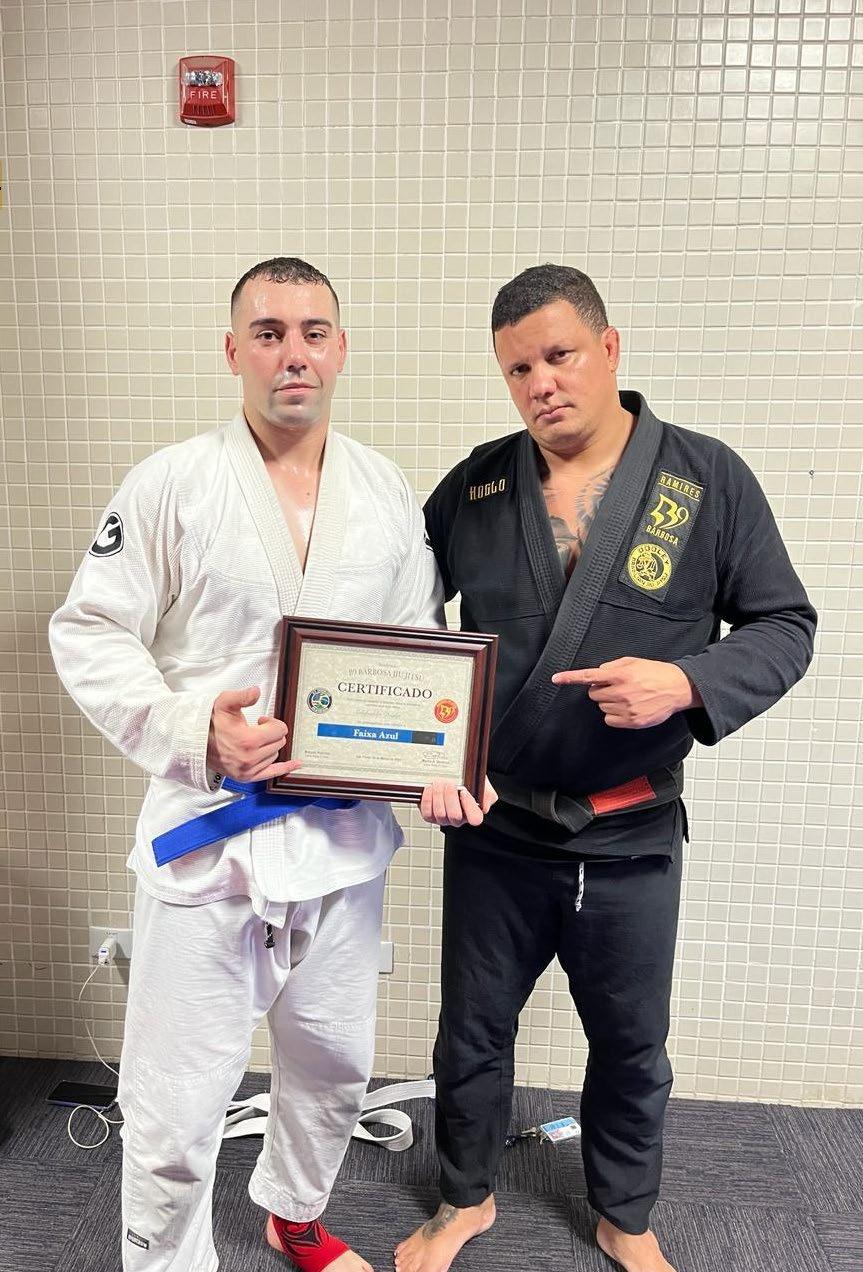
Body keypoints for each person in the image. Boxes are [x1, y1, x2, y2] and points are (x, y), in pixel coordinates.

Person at [49, 256, 492, 1272]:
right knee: (175, 1102)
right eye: (268, 332)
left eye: (312, 332)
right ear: (232, 351)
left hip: (340, 842)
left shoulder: (383, 492)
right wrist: (192, 730)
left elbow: (419, 652)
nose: (293, 353)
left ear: (340, 349)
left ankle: (293, 1213)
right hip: (211, 841)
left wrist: (442, 755)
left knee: (333, 1067)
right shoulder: (171, 483)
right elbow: (90, 630)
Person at [395, 264, 816, 1272]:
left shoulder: (704, 479)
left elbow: (784, 625)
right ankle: (462, 1199)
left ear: (609, 348)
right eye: (517, 369)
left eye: (559, 355)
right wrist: (422, 747)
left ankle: (624, 1215)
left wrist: (687, 681)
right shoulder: (477, 486)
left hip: (629, 833)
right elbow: (401, 626)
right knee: (470, 1033)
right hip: (496, 828)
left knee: (631, 1044)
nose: (540, 383)